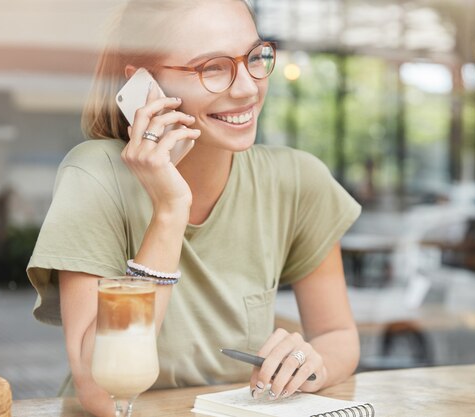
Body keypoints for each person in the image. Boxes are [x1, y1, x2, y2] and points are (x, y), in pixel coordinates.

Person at [27, 0, 361, 415]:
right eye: (213, 68)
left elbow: (336, 333)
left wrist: (310, 363)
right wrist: (170, 210)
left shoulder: (296, 180)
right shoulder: (95, 176)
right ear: (143, 83)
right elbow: (100, 393)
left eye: (255, 57)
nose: (246, 87)